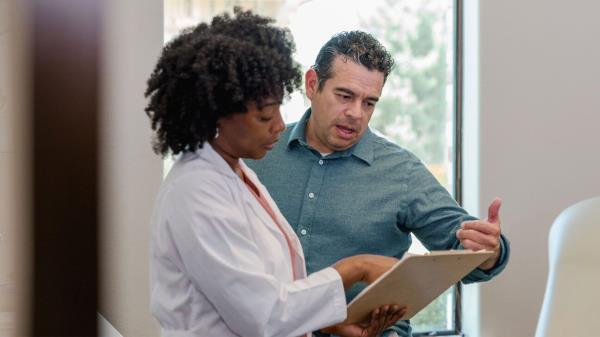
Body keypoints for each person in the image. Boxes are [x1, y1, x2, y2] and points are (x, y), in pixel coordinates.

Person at [145, 9, 407, 337]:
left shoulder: (236, 173)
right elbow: (264, 316)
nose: (280, 126)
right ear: (219, 114)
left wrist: (333, 322)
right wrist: (358, 267)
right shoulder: (196, 191)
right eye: (265, 116)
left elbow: (270, 292)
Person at [246, 31, 511, 337]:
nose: (356, 114)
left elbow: (465, 252)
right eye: (344, 96)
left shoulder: (402, 171)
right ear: (312, 84)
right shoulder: (257, 153)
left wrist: (489, 251)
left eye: (369, 102)